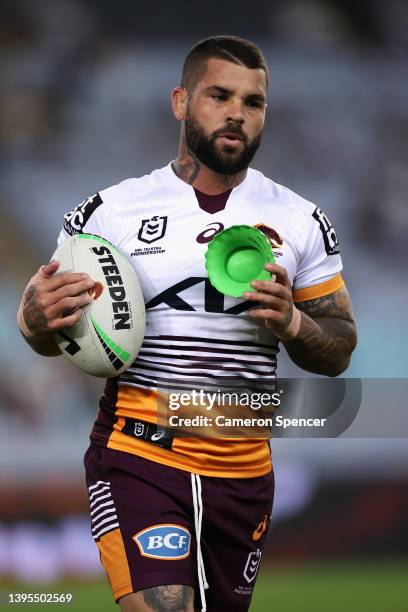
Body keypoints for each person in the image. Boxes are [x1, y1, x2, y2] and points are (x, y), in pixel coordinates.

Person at [17, 36, 357, 612]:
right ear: (181, 101)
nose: (236, 113)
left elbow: (340, 346)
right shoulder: (111, 214)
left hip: (245, 470)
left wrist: (295, 323)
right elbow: (47, 331)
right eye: (219, 95)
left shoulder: (301, 221)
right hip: (141, 457)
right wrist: (34, 318)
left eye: (253, 103)